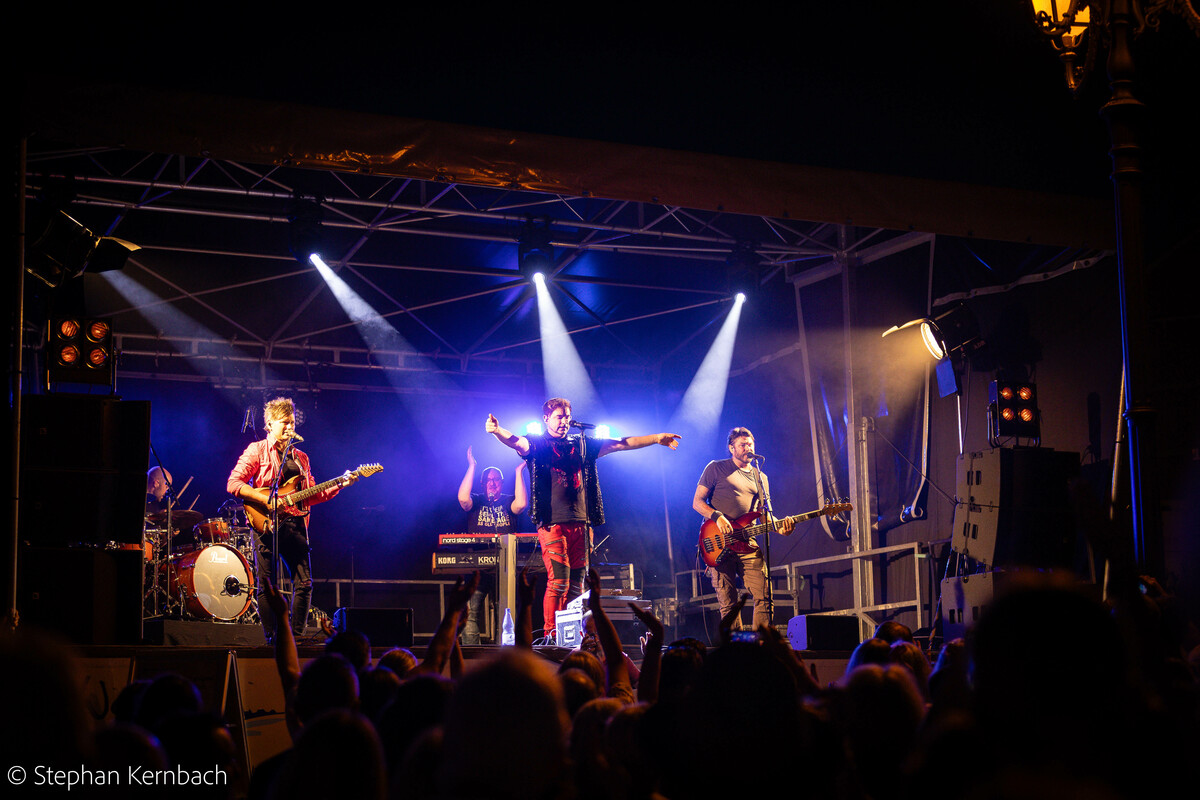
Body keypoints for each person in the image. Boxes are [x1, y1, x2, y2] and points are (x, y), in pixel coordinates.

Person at [486, 397, 680, 640]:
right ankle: (551, 635)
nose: (564, 421)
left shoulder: (582, 444)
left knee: (577, 584)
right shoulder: (538, 443)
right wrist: (497, 431)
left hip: (581, 523)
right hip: (553, 524)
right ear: (546, 419)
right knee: (559, 581)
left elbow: (621, 443)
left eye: (567, 417)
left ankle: (571, 635)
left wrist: (657, 438)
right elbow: (516, 441)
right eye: (559, 417)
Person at [227, 397, 356, 641]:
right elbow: (233, 483)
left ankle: (294, 638)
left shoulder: (301, 458)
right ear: (269, 424)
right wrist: (267, 500)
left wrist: (341, 483)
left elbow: (312, 494)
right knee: (267, 585)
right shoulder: (257, 450)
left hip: (296, 525)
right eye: (284, 422)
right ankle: (271, 639)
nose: (289, 427)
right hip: (265, 523)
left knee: (304, 583)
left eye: (292, 422)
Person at [693, 426, 794, 631]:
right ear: (732, 448)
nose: (748, 448)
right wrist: (718, 516)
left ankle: (760, 643)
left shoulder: (760, 477)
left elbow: (764, 515)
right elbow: (697, 502)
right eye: (742, 445)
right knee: (728, 603)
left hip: (747, 542)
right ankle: (735, 647)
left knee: (764, 594)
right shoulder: (715, 468)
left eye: (750, 444)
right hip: (718, 543)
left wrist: (780, 528)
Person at [456, 446, 528, 644]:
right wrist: (472, 466)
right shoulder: (477, 501)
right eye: (488, 480)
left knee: (504, 616)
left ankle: (502, 655)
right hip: (477, 569)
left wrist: (518, 472)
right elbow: (463, 499)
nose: (492, 483)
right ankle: (473, 655)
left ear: (502, 483)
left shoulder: (508, 501)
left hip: (504, 569)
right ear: (482, 483)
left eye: (496, 479)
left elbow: (521, 505)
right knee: (470, 614)